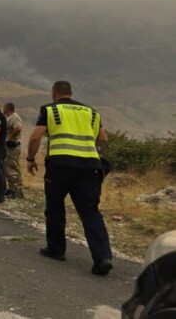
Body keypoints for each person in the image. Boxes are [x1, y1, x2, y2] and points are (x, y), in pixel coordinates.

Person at [26, 81, 112, 276]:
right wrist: (95, 154)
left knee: (55, 207)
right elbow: (104, 140)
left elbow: (35, 138)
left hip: (60, 166)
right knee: (90, 212)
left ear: (54, 93)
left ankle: (56, 250)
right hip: (89, 167)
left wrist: (30, 159)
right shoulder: (91, 112)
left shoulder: (50, 109)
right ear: (71, 93)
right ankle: (103, 258)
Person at [3, 102, 24, 199]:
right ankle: (11, 189)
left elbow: (18, 128)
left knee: (12, 169)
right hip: (9, 147)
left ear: (7, 108)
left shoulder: (14, 117)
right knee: (7, 168)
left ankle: (17, 191)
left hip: (13, 147)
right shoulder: (9, 118)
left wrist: (10, 139)